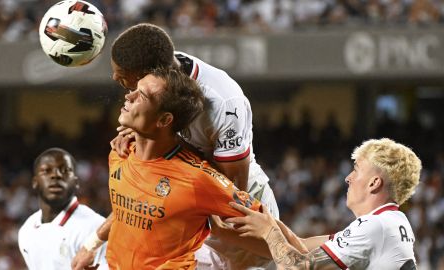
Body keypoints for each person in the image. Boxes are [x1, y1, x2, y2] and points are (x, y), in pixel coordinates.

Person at [109, 22, 279, 269]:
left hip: (233, 213)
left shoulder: (223, 101)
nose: (115, 77)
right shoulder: (161, 81)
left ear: (150, 73)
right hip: (191, 198)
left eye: (122, 72)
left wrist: (157, 139)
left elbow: (230, 191)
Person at [73, 68, 262, 269]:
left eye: (142, 96)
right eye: (135, 90)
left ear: (164, 120)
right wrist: (90, 246)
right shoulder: (120, 153)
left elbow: (265, 227)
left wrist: (295, 254)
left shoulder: (197, 177)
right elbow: (126, 211)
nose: (128, 95)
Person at [226, 138, 421, 269]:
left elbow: (297, 266)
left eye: (356, 169)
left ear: (374, 182)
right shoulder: (390, 221)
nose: (348, 178)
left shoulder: (375, 226)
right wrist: (263, 221)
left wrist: (269, 231)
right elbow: (301, 246)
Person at [18, 148, 108, 269]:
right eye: (46, 171)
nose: (56, 175)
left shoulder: (95, 227)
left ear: (76, 182)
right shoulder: (26, 230)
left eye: (65, 170)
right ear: (35, 182)